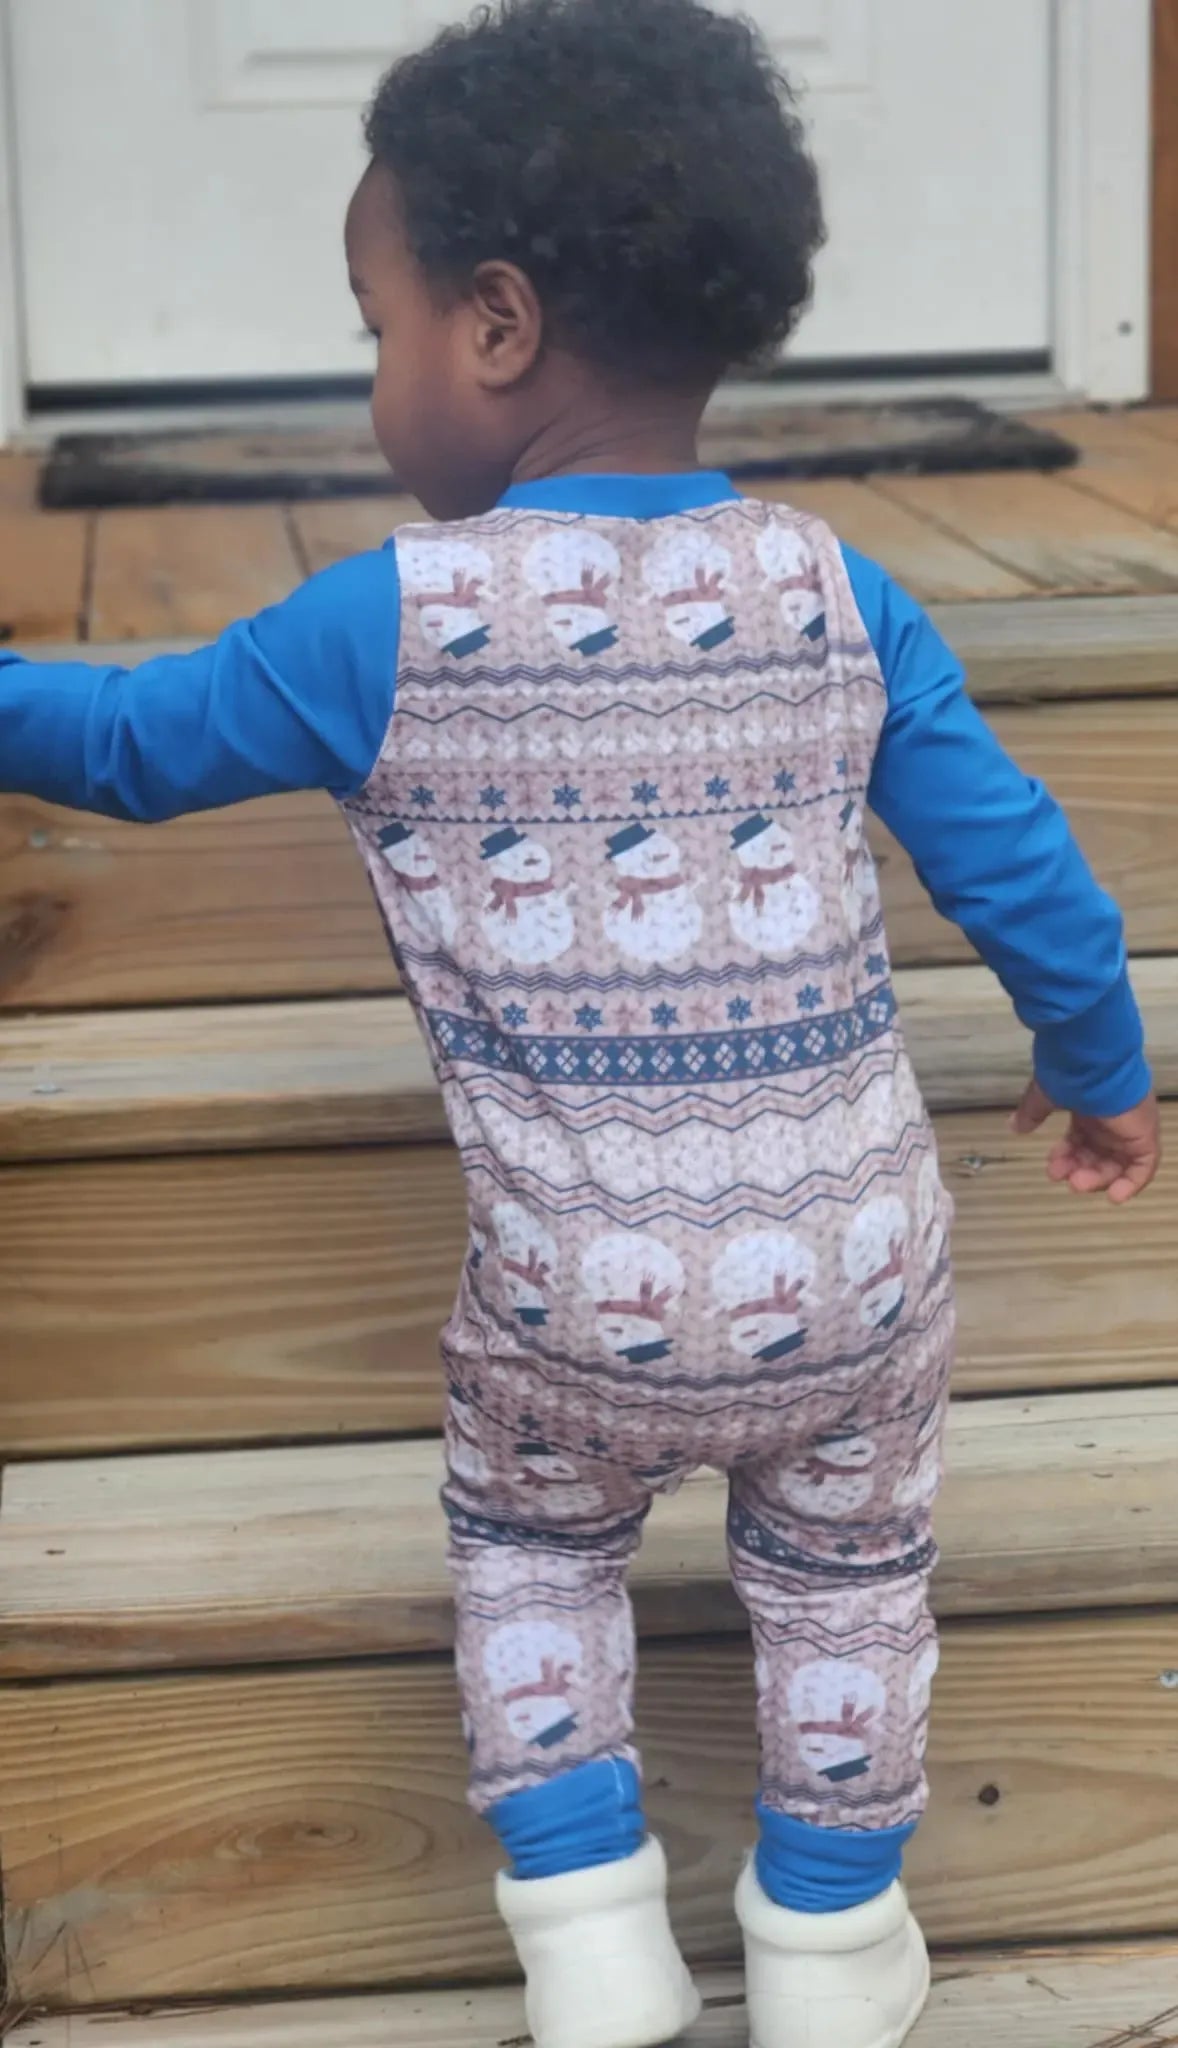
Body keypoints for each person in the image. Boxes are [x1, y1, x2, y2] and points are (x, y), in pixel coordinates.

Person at [0, 1, 1160, 2041]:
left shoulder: (383, 622)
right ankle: (823, 1949)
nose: (378, 382)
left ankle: (594, 1948)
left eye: (379, 325)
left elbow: (120, 742)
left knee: (535, 1564)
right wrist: (1095, 1067)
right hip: (855, 1278)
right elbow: (1024, 874)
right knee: (848, 1590)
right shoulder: (838, 590)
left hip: (570, 1302)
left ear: (499, 326)